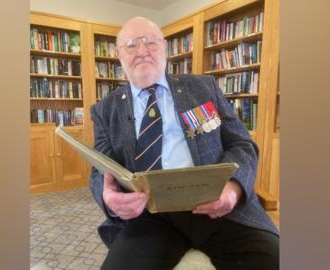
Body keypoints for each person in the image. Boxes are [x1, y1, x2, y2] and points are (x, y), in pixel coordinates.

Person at [90, 16, 279, 270]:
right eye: (131, 45)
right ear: (118, 54)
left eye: (150, 43)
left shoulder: (204, 87)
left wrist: (233, 190)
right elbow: (100, 168)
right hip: (149, 216)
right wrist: (107, 195)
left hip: (219, 206)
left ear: (165, 48)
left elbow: (243, 145)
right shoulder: (104, 109)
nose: (142, 52)